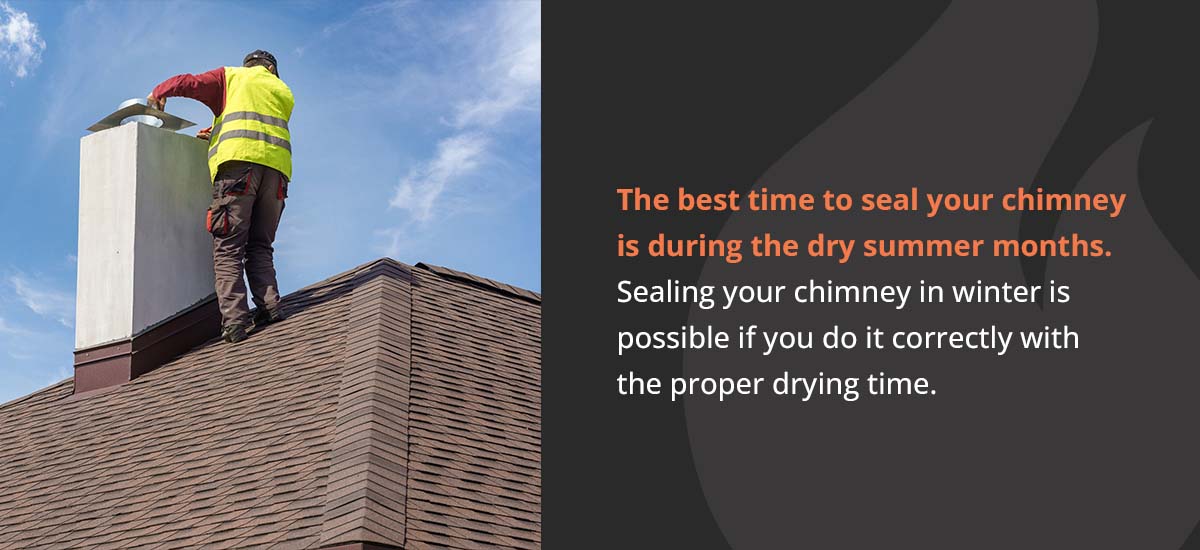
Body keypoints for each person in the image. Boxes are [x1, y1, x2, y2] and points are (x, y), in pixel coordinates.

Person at [148, 50, 295, 344]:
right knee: (260, 245)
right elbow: (256, 125)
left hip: (238, 171)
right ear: (271, 68)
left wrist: (159, 91)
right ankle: (270, 307)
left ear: (250, 65)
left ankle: (236, 322)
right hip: (276, 175)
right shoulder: (282, 91)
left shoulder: (231, 77)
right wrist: (216, 130)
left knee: (228, 248)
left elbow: (189, 83)